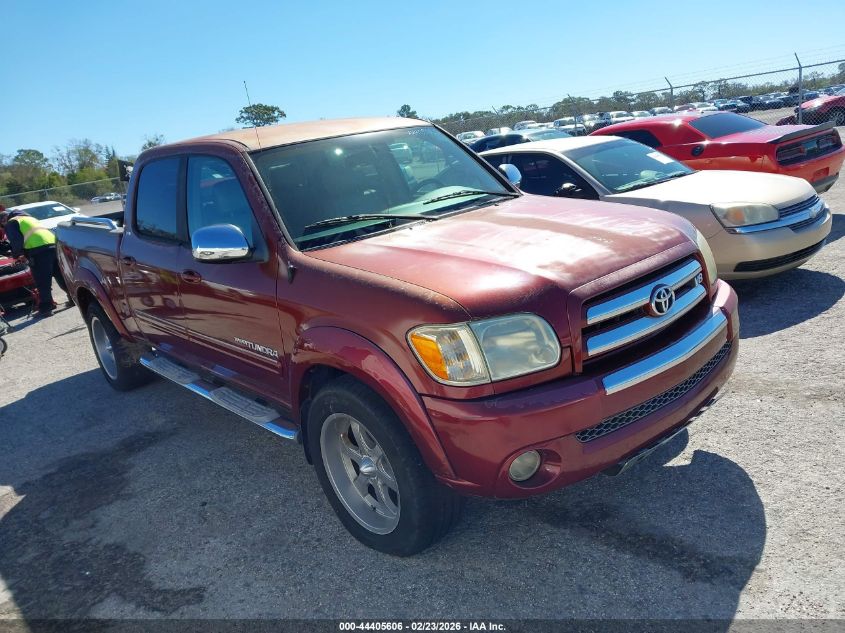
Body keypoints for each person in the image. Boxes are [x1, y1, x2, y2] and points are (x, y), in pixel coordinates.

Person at [0, 208, 72, 317]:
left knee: (42, 280)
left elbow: (16, 241)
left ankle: (46, 308)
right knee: (60, 275)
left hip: (39, 250)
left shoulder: (12, 222)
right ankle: (73, 298)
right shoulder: (28, 218)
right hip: (54, 245)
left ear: (4, 220)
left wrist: (17, 255)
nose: (4, 228)